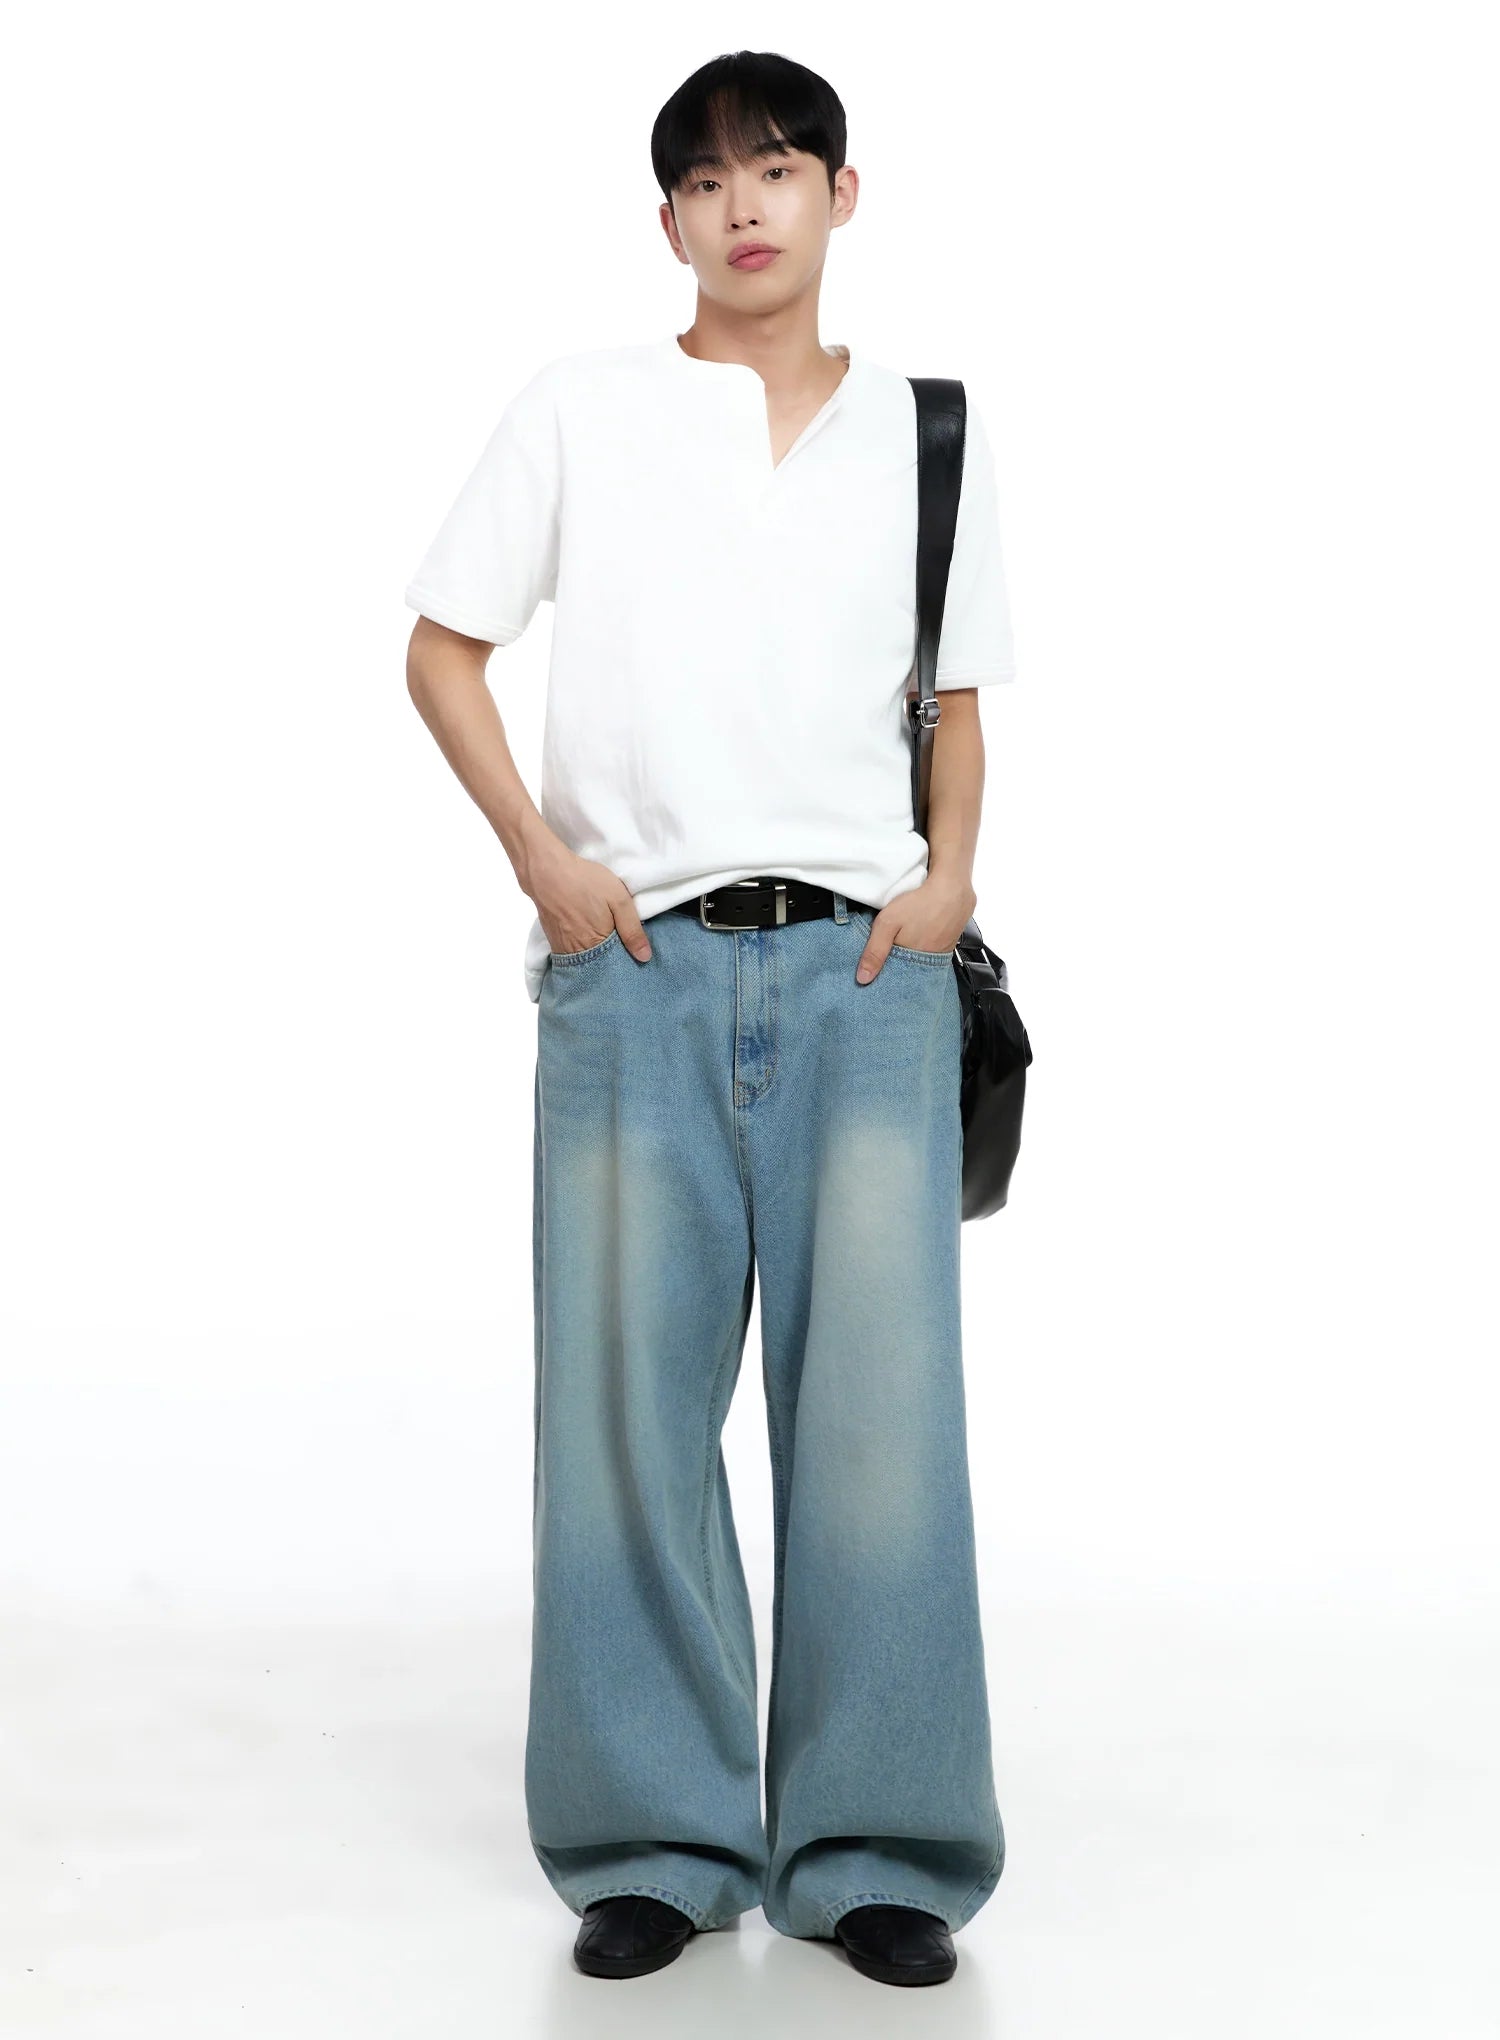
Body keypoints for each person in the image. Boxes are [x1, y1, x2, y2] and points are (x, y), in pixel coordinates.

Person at [403, 49, 1019, 1989]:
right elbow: (441, 649)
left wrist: (947, 882)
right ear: (667, 217)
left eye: (779, 168)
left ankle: (882, 1847)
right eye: (706, 180)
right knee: (624, 1417)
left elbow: (959, 695)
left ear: (844, 193)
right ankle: (652, 1841)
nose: (744, 204)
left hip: (864, 975)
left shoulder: (923, 430)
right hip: (638, 972)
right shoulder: (582, 411)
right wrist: (544, 861)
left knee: (881, 1429)